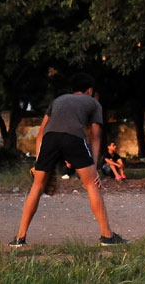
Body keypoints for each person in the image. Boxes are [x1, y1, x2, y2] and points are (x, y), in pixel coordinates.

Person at [9, 73, 127, 247]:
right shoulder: (94, 103)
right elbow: (95, 137)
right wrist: (93, 167)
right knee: (91, 185)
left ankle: (19, 238)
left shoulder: (57, 101)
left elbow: (41, 133)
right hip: (74, 137)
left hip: (50, 139)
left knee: (37, 186)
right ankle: (107, 236)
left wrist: (38, 162)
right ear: (89, 90)